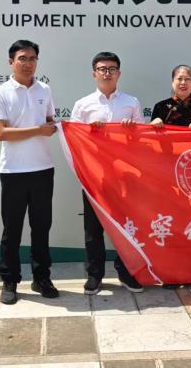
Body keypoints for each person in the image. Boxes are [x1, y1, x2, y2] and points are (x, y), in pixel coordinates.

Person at [0, 39, 59, 305]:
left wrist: (54, 127)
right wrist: (38, 130)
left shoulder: (45, 89)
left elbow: (49, 121)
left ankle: (42, 278)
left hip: (43, 168)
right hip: (13, 171)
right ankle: (10, 280)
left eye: (32, 59)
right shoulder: (1, 93)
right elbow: (0, 133)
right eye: (22, 58)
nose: (28, 63)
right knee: (12, 229)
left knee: (41, 228)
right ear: (11, 62)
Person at [70, 51, 145, 295]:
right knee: (93, 229)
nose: (107, 73)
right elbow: (74, 139)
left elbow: (142, 139)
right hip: (94, 175)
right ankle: (95, 275)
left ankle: (126, 272)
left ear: (119, 73)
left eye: (112, 69)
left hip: (124, 175)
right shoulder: (83, 105)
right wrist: (89, 131)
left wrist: (131, 131)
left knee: (126, 226)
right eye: (102, 69)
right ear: (94, 73)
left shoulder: (131, 102)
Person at [151, 64, 191, 290]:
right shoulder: (161, 107)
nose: (183, 82)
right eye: (179, 78)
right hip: (167, 174)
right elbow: (150, 140)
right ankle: (171, 274)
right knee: (171, 223)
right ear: (172, 81)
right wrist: (154, 125)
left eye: (187, 79)